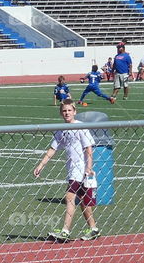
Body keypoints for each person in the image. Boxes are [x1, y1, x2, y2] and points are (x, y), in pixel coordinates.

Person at [34, 100, 99, 242]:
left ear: (75, 111)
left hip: (80, 169)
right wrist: (41, 165)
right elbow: (53, 149)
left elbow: (89, 149)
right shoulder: (61, 129)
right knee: (83, 201)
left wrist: (88, 168)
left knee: (69, 197)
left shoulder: (80, 127)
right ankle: (93, 229)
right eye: (64, 111)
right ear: (61, 113)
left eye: (69, 110)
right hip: (71, 169)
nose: (67, 113)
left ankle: (65, 231)